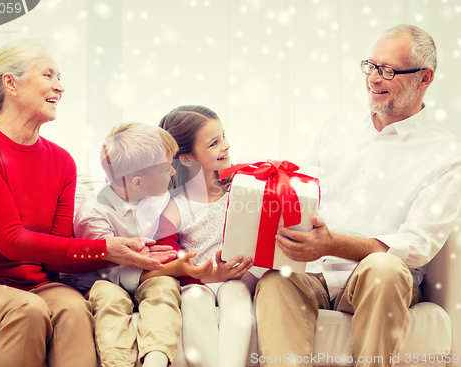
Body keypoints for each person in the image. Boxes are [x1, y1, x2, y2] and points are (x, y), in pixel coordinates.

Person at [254, 24, 461, 367]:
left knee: (385, 268)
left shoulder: (446, 154)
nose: (373, 78)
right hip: (315, 274)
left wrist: (333, 244)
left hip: (379, 280)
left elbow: (418, 245)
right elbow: (305, 195)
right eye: (371, 66)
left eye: (388, 70)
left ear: (424, 79)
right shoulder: (337, 127)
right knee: (277, 280)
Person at [0, 38, 175, 367]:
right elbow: (11, 242)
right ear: (10, 83)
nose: (59, 87)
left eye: (60, 78)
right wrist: (105, 249)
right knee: (28, 310)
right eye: (48, 76)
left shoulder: (61, 161)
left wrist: (130, 254)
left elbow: (61, 249)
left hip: (38, 282)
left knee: (76, 308)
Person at [71, 122, 212, 367]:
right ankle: (118, 363)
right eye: (167, 167)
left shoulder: (154, 196)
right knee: (109, 299)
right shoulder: (93, 213)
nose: (172, 172)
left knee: (165, 286)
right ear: (137, 183)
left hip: (145, 275)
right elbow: (112, 273)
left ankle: (155, 360)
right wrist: (170, 266)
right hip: (104, 280)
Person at [158, 105, 260, 367]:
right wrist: (207, 275)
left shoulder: (241, 187)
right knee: (193, 298)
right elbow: (167, 259)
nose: (226, 145)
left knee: (234, 291)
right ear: (186, 159)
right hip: (198, 283)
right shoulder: (174, 206)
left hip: (240, 280)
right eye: (214, 143)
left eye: (223, 136)